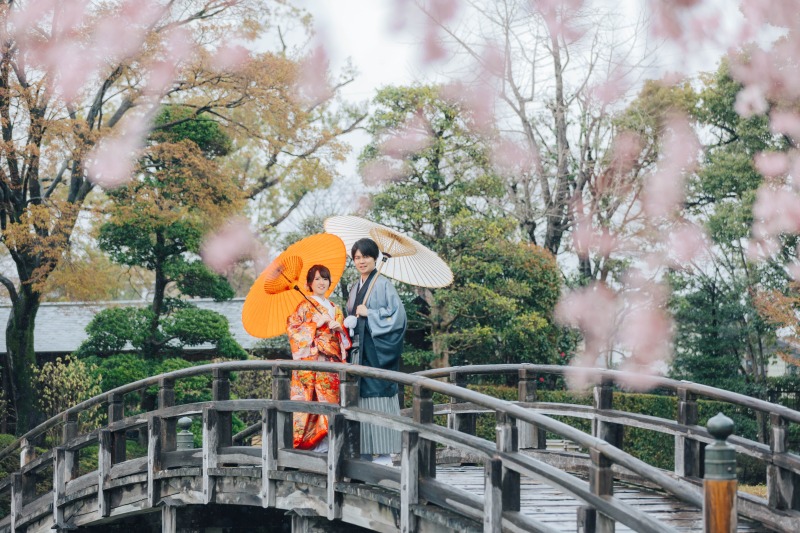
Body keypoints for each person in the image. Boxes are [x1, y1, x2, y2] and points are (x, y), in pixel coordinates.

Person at [344, 238, 407, 465]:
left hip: (376, 353)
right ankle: (361, 454)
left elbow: (398, 317)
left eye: (366, 257)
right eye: (357, 258)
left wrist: (370, 313)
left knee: (378, 398)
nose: (361, 261)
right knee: (358, 400)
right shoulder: (354, 287)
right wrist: (349, 323)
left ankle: (384, 457)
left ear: (375, 258)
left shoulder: (383, 284)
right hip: (358, 353)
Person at [286, 264, 350, 452]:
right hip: (313, 364)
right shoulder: (304, 306)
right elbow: (293, 332)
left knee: (332, 405)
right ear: (309, 284)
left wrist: (340, 330)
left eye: (325, 278)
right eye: (317, 279)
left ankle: (331, 447)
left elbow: (344, 342)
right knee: (313, 405)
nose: (322, 282)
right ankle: (313, 449)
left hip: (332, 364)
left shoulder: (335, 308)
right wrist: (314, 325)